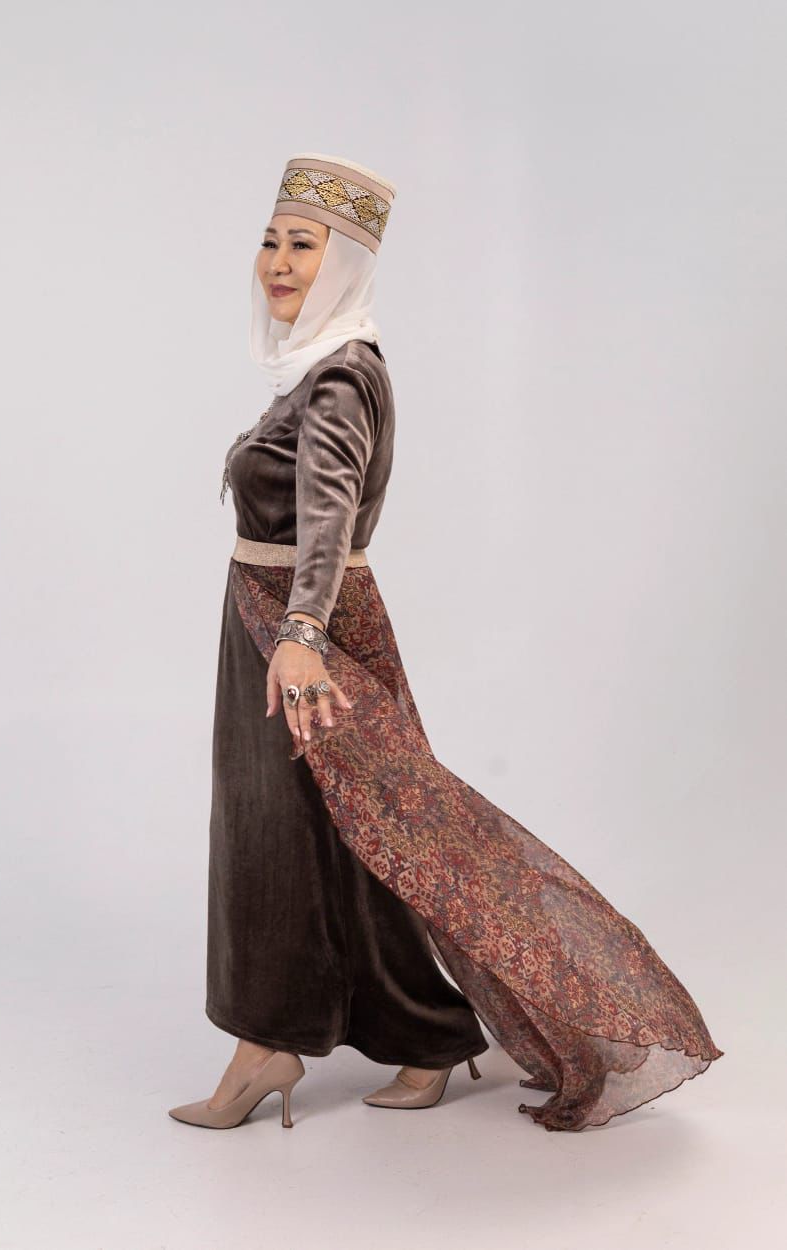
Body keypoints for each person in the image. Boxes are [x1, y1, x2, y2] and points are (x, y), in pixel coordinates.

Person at [168, 152, 723, 1134]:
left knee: (278, 836)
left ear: (344, 263)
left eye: (304, 245)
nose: (279, 263)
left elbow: (329, 517)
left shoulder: (340, 381)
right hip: (277, 621)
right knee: (353, 835)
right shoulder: (322, 370)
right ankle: (423, 1034)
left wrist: (300, 635)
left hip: (297, 633)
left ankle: (266, 1047)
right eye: (271, 241)